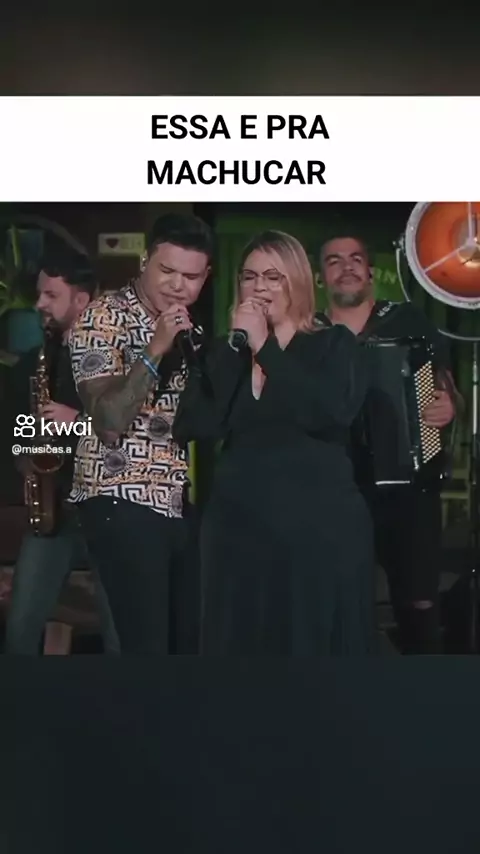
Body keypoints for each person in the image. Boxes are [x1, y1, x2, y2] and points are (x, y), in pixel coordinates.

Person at [173, 229, 375, 656]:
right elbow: (195, 424)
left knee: (307, 653)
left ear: (297, 281)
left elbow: (329, 413)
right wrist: (234, 351)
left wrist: (266, 348)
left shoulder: (332, 345)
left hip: (313, 528)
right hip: (238, 528)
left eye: (272, 277)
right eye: (249, 277)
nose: (259, 287)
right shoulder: (231, 351)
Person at [68, 213, 213, 655]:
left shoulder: (192, 332)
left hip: (175, 500)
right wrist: (155, 348)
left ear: (206, 277)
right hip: (119, 496)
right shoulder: (102, 317)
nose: (177, 285)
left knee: (187, 644)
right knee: (145, 647)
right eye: (167, 270)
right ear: (145, 261)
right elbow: (109, 422)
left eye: (191, 277)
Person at [317, 235, 459, 654]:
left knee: (419, 603)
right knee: (341, 604)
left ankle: (423, 686)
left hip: (408, 488)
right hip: (336, 492)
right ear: (320, 276)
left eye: (355, 259)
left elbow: (447, 388)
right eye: (334, 261)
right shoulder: (309, 333)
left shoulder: (407, 320)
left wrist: (449, 406)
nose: (347, 267)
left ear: (370, 271)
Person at [5, 250, 119, 655]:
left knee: (120, 634)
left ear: (81, 300)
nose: (39, 304)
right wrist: (25, 457)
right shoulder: (35, 362)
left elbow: (131, 434)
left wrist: (78, 421)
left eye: (51, 295)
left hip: (106, 511)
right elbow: (17, 430)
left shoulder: (112, 359)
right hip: (53, 510)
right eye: (40, 294)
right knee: (20, 629)